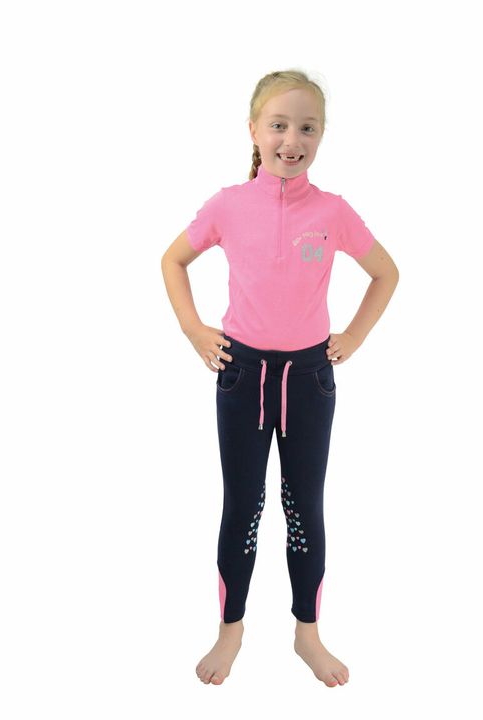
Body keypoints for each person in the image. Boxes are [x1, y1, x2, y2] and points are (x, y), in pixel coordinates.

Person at [161, 69, 399, 687]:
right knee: (243, 505)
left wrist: (353, 337)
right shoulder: (228, 205)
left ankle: (307, 634)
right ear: (253, 131)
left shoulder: (333, 212)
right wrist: (194, 329)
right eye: (279, 125)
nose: (292, 140)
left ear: (321, 135)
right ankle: (230, 630)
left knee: (303, 506)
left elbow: (386, 273)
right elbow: (174, 259)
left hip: (309, 380)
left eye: (307, 128)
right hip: (240, 376)